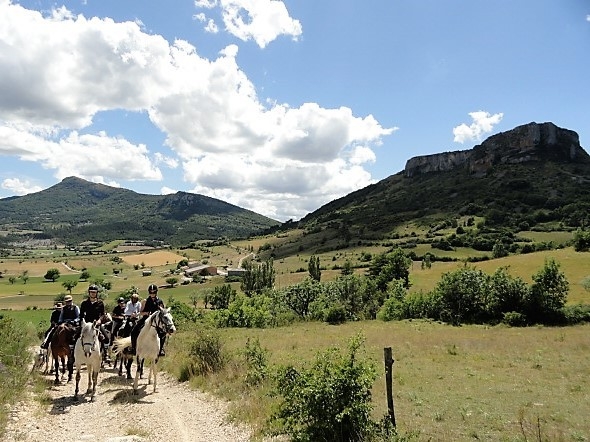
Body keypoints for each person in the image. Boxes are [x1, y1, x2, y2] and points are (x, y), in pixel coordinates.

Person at [129, 284, 166, 356]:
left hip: (156, 320)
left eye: (154, 292)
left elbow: (162, 311)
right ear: (149, 292)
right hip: (146, 319)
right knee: (134, 331)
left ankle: (161, 349)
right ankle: (133, 348)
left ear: (156, 292)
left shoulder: (160, 301)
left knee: (163, 333)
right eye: (151, 292)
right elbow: (141, 312)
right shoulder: (145, 301)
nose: (152, 294)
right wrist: (146, 313)